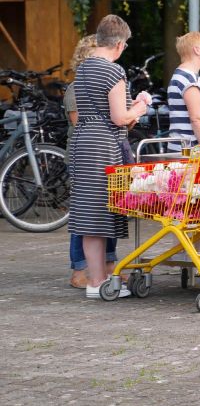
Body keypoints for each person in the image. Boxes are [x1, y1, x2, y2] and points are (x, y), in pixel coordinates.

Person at [68, 14, 149, 299]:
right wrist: (140, 107)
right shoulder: (114, 71)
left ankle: (96, 280)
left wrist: (129, 109)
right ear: (119, 44)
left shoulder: (84, 68)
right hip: (103, 146)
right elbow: (119, 118)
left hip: (83, 142)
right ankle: (99, 281)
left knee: (89, 214)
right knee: (101, 212)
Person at [64, 35, 118, 289]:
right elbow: (80, 123)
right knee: (85, 215)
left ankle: (108, 264)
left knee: (107, 211)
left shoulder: (105, 83)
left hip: (104, 152)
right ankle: (79, 269)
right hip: (85, 156)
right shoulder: (77, 88)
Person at [167, 31, 200, 153]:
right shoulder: (189, 79)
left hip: (186, 150)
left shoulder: (185, 76)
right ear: (197, 50)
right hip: (192, 152)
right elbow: (196, 118)